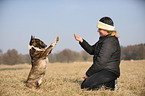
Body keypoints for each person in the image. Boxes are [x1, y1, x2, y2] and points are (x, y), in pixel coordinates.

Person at [74, 17, 121, 90]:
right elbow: (92, 50)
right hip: (103, 70)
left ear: (106, 29)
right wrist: (81, 41)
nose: (98, 31)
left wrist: (88, 74)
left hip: (109, 71)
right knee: (85, 84)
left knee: (86, 85)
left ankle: (112, 84)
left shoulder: (109, 42)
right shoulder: (104, 40)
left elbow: (101, 62)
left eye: (100, 29)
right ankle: (109, 83)